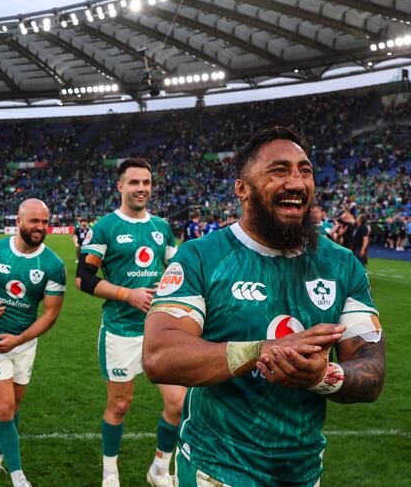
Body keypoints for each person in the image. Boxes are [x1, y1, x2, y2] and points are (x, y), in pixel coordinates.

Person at [144, 126, 385, 486]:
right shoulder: (200, 257)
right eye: (279, 170)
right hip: (217, 470)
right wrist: (263, 351)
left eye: (305, 171)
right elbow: (160, 355)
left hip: (304, 472)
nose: (297, 182)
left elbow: (372, 370)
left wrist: (324, 376)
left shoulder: (343, 265)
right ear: (242, 189)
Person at [75, 158, 184, 487]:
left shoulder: (161, 228)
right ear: (120, 186)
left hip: (158, 331)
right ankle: (110, 470)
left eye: (146, 183)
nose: (141, 189)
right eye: (134, 182)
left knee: (178, 403)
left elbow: (176, 273)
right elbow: (83, 278)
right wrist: (127, 294)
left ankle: (160, 468)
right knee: (120, 404)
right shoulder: (105, 227)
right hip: (120, 332)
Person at [0, 198, 66, 487]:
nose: (40, 227)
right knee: (4, 408)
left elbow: (51, 315)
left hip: (24, 343)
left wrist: (19, 339)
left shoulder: (54, 265)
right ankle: (18, 476)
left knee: (14, 407)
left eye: (45, 222)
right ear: (18, 221)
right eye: (34, 221)